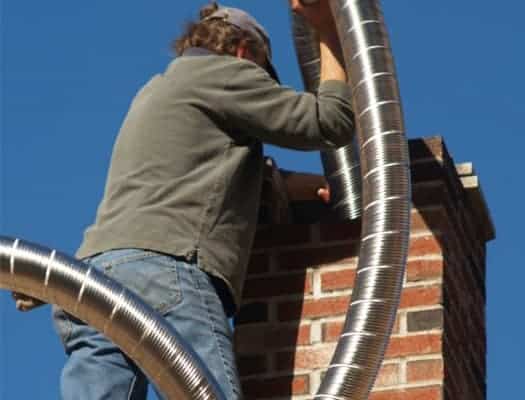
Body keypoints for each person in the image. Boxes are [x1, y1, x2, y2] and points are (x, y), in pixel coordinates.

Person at [15, 1, 354, 398]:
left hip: (93, 279)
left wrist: (289, 185)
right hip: (166, 275)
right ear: (244, 51)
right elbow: (330, 120)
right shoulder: (227, 74)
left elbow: (212, 168)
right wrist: (329, 32)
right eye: (263, 73)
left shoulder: (161, 88)